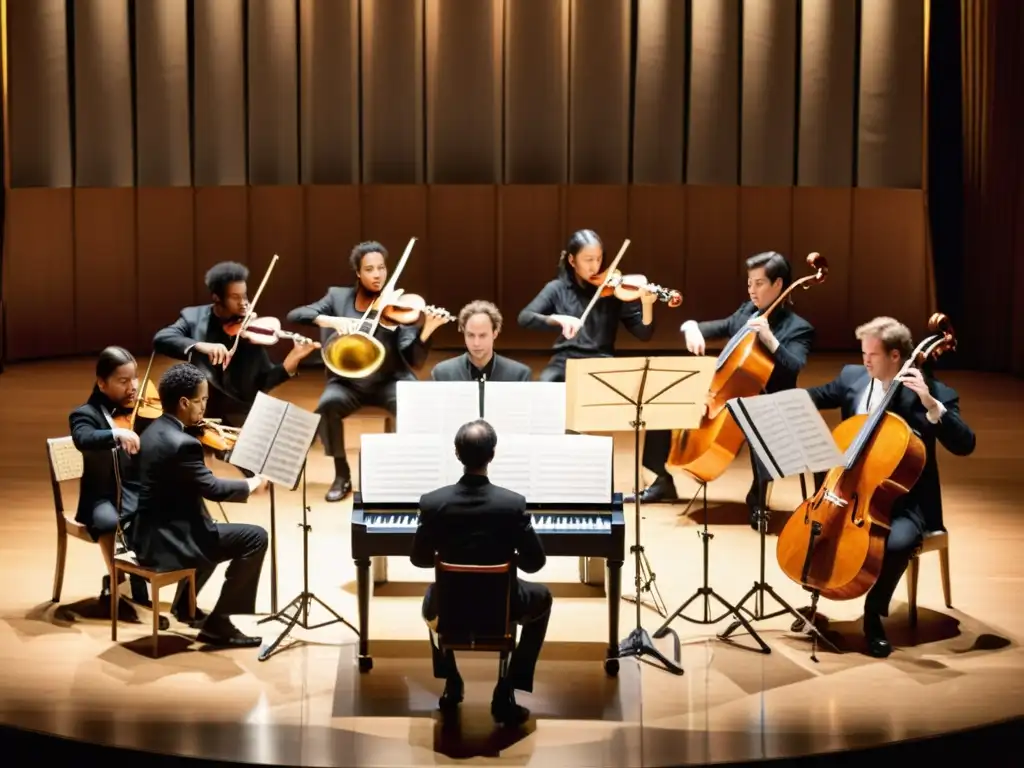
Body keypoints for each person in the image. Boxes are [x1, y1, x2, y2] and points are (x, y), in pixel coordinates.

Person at [795, 317, 976, 657]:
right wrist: (780, 401)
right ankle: (814, 604)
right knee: (820, 532)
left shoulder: (933, 393)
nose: (865, 361)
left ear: (896, 356)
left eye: (872, 355)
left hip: (906, 502)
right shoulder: (853, 378)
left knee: (895, 543)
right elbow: (816, 395)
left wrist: (931, 406)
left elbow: (966, 443)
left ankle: (873, 616)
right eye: (863, 353)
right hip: (850, 494)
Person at [630, 251, 815, 509]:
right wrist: (692, 328)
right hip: (728, 398)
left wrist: (771, 340)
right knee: (664, 397)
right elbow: (717, 327)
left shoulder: (798, 328)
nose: (752, 290)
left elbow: (793, 367)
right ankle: (660, 479)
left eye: (759, 283)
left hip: (769, 402)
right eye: (749, 283)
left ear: (778, 284)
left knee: (761, 422)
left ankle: (758, 499)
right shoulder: (747, 311)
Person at [411, 420, 551, 726]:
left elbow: (420, 560)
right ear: (493, 454)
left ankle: (452, 681)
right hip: (501, 608)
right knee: (544, 598)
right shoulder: (512, 504)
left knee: (431, 598)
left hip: (451, 608)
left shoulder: (433, 503)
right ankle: (508, 687)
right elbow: (534, 564)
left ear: (457, 454)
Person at [287, 241, 450, 502]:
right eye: (370, 269)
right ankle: (342, 474)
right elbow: (296, 314)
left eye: (382, 268)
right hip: (347, 382)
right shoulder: (337, 297)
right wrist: (331, 320)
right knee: (328, 404)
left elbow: (414, 360)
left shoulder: (398, 305)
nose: (377, 275)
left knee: (413, 404)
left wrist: (427, 329)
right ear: (358, 273)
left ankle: (403, 473)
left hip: (389, 381)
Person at [132, 363, 271, 648]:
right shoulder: (183, 443)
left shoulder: (151, 429)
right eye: (202, 400)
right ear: (184, 402)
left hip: (146, 532)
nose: (205, 407)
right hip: (169, 543)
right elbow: (212, 488)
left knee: (210, 525)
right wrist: (252, 484)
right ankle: (219, 625)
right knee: (255, 537)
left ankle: (185, 607)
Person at [153, 261, 318, 429]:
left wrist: (292, 361)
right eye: (235, 297)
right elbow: (162, 338)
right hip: (202, 411)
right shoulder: (193, 317)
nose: (244, 303)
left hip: (241, 413)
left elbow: (264, 382)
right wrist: (199, 345)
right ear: (217, 298)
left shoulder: (250, 333)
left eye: (245, 296)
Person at [68, 347, 156, 621]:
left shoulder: (142, 410)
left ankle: (176, 591)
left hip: (138, 491)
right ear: (102, 383)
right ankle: (120, 579)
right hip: (103, 497)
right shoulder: (85, 414)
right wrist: (115, 433)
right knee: (110, 521)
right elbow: (83, 438)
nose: (133, 387)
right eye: (123, 381)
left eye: (135, 378)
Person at [517, 229, 657, 382]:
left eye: (598, 259)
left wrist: (647, 304)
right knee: (546, 383)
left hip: (602, 361)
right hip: (564, 361)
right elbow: (525, 318)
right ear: (572, 260)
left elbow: (644, 334)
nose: (595, 267)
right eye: (588, 259)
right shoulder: (557, 288)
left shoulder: (613, 290)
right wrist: (558, 320)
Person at [430, 300, 532, 382]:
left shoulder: (519, 375)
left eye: (482, 335)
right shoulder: (442, 374)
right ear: (463, 333)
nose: (476, 343)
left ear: (495, 334)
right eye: (470, 335)